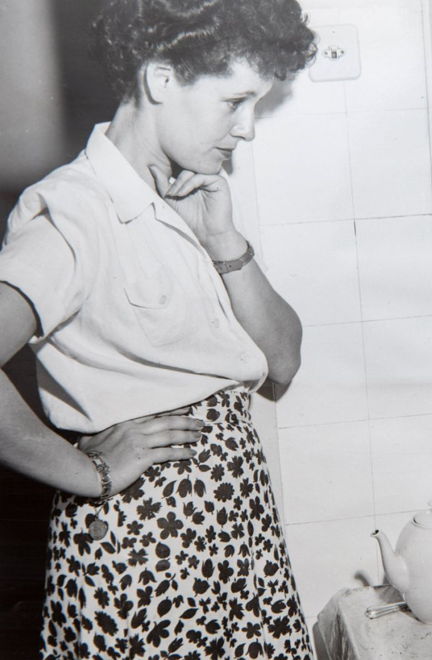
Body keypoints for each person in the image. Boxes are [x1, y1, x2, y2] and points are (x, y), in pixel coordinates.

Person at [0, 1, 316, 658]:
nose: (247, 129)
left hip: (233, 530)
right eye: (235, 101)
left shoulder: (183, 195)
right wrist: (92, 475)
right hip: (144, 547)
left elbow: (282, 362)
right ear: (161, 78)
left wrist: (224, 239)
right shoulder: (77, 213)